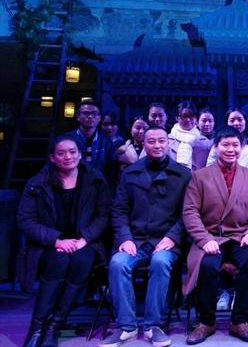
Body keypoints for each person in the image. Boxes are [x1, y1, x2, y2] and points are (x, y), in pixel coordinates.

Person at [100, 126, 191, 347]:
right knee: (118, 263)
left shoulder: (183, 174)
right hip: (136, 240)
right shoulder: (130, 172)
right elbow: (119, 210)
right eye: (151, 141)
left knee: (160, 262)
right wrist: (125, 238)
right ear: (144, 143)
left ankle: (153, 326)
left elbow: (188, 213)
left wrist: (173, 237)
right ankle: (127, 327)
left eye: (161, 141)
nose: (157, 145)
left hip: (167, 241)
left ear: (168, 143)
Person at [183, 126, 248, 345]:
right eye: (225, 144)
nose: (230, 149)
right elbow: (190, 211)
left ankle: (239, 320)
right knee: (206, 264)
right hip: (211, 236)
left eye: (235, 145)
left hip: (241, 236)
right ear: (216, 147)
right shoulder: (200, 176)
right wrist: (205, 239)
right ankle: (206, 322)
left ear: (242, 148)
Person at [18, 135, 111, 347]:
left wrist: (84, 238)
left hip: (85, 242)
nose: (67, 156)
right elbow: (25, 221)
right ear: (52, 157)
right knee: (58, 261)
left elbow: (103, 215)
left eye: (72, 152)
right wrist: (56, 240)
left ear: (80, 154)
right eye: (61, 153)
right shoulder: (37, 183)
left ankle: (55, 325)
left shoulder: (95, 179)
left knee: (81, 261)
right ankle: (37, 327)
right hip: (48, 244)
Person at [65, 99, 117, 193]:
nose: (90, 116)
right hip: (71, 189)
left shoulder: (107, 143)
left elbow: (111, 173)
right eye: (86, 113)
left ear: (99, 118)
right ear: (78, 117)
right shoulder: (66, 140)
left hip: (98, 190)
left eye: (95, 113)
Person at [206, 108, 248, 185]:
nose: (236, 123)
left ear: (246, 122)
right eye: (232, 120)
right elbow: (210, 169)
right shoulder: (217, 145)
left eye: (240, 119)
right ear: (227, 123)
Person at [168, 100, 211, 170]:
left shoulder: (205, 143)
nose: (188, 119)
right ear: (176, 117)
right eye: (184, 116)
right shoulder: (167, 141)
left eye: (192, 116)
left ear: (196, 119)